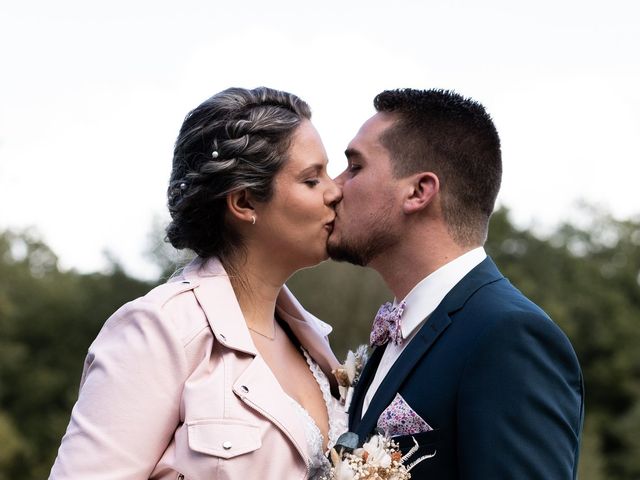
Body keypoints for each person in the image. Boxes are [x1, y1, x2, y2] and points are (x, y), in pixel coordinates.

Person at [49, 87, 346, 480]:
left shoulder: (317, 345)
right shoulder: (159, 331)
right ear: (243, 202)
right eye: (312, 179)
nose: (336, 191)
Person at [327, 88, 584, 479]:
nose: (333, 187)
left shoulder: (509, 336)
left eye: (355, 168)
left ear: (418, 191)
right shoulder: (398, 330)